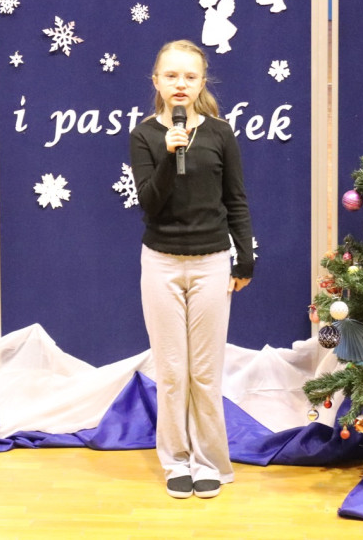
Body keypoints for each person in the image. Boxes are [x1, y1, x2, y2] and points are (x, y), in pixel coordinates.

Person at [129, 39, 254, 499]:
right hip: (160, 263)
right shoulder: (144, 135)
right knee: (172, 371)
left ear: (202, 82)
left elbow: (235, 199)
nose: (180, 84)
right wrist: (168, 152)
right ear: (157, 82)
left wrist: (245, 257)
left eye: (190, 76)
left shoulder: (220, 133)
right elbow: (149, 202)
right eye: (171, 76)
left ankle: (210, 463)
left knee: (205, 372)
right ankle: (175, 461)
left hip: (211, 263)